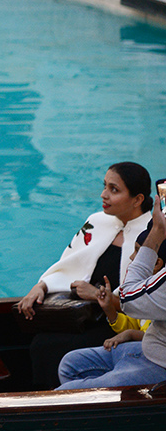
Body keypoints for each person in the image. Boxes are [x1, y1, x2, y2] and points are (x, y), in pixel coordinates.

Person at [17, 162, 154, 388]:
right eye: (105, 186)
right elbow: (67, 265)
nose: (104, 195)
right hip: (81, 314)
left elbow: (148, 301)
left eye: (114, 190)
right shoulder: (96, 222)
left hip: (117, 323)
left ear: (137, 199)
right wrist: (40, 286)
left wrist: (98, 296)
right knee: (38, 341)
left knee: (52, 347)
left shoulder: (152, 235)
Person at [57, 196, 166, 389]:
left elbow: (128, 299)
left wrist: (156, 234)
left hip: (160, 364)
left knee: (63, 393)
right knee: (70, 364)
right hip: (149, 346)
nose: (103, 195)